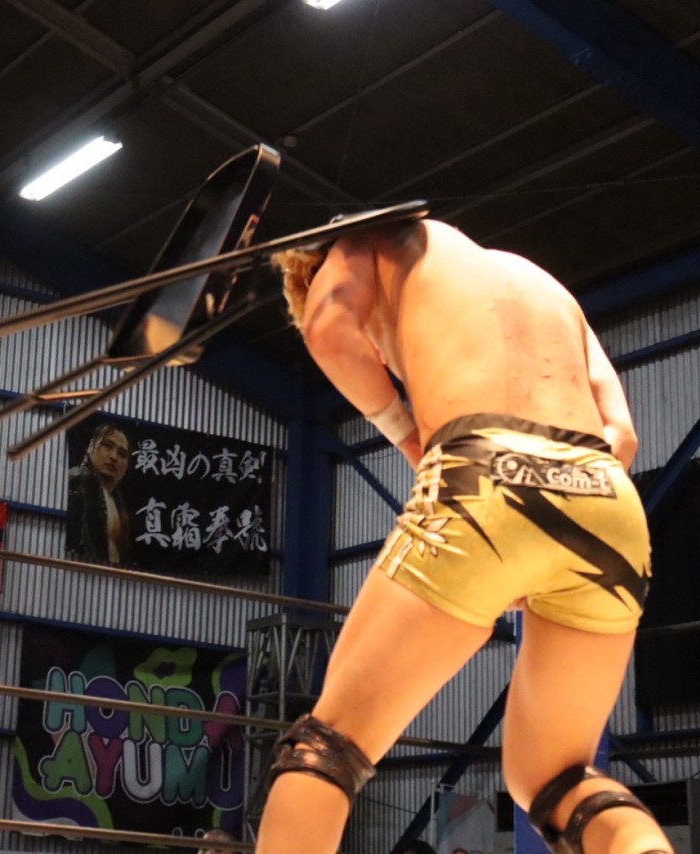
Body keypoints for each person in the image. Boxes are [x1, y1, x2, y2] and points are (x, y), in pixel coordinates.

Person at [256, 217, 671, 854]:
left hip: (483, 470)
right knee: (556, 780)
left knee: (328, 746)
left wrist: (407, 435)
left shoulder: (365, 242)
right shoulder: (542, 283)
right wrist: (538, 537)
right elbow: (622, 434)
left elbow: (328, 327)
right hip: (607, 502)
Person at [65, 423, 131, 564]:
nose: (114, 457)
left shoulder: (117, 501)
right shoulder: (79, 479)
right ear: (91, 446)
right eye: (107, 446)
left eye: (122, 454)